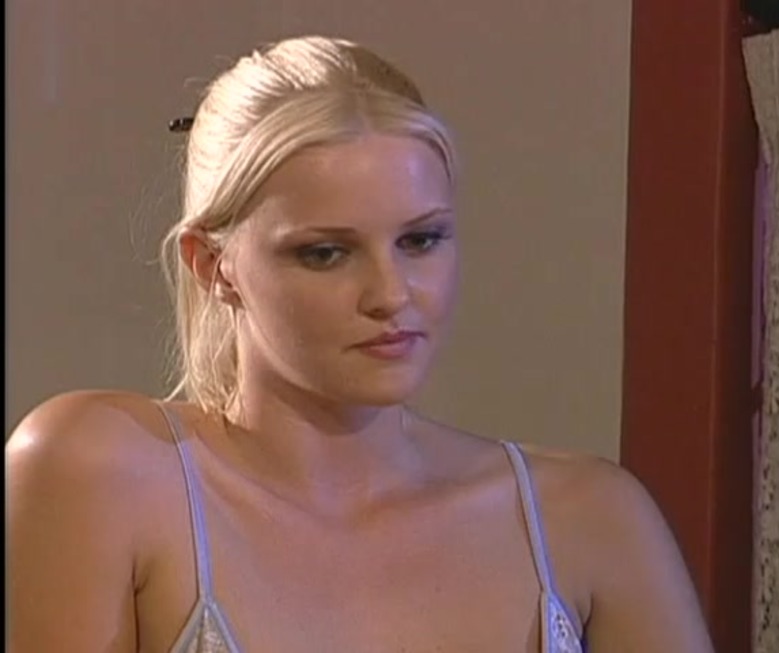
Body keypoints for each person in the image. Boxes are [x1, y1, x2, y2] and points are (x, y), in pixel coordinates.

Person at [6, 35, 714, 652]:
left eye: (420, 240)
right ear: (213, 265)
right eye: (325, 253)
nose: (390, 293)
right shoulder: (106, 470)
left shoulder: (587, 520)